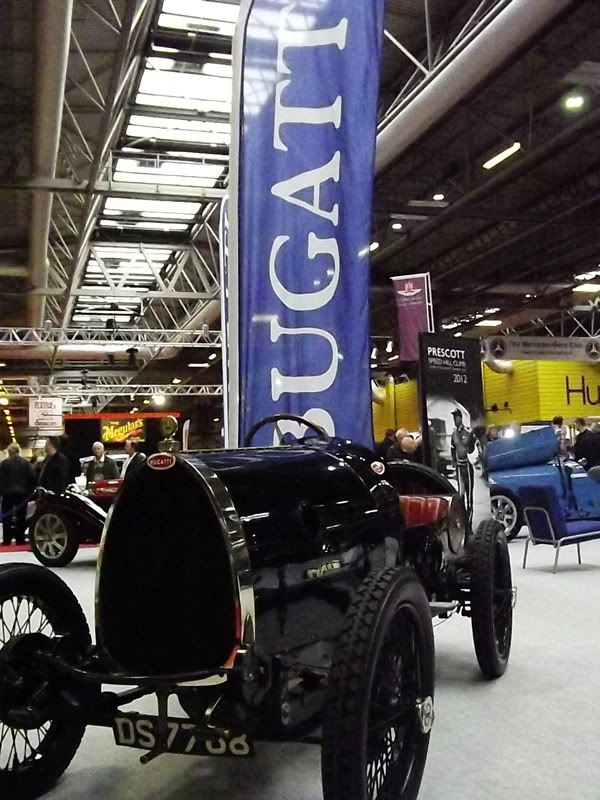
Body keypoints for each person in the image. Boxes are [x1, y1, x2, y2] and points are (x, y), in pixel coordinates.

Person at [0, 443, 36, 546]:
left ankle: (7, 539)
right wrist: (29, 492)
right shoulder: (26, 463)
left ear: (9, 452)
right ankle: (20, 539)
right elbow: (32, 477)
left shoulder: (4, 464)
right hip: (22, 494)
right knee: (21, 517)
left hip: (7, 494)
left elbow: (1, 480)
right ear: (18, 451)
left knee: (7, 517)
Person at [450, 409, 477, 524]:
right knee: (460, 495)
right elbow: (452, 448)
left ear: (460, 418)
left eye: (456, 417)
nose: (454, 420)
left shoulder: (468, 432)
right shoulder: (453, 434)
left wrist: (473, 457)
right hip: (459, 467)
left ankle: (470, 522)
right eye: (453, 418)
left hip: (467, 466)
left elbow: (474, 449)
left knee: (469, 496)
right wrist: (453, 462)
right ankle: (463, 520)